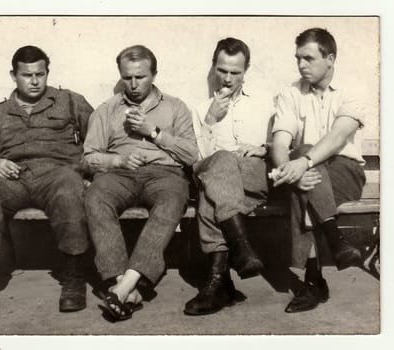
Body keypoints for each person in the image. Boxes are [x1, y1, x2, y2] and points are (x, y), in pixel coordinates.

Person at [0, 46, 94, 327]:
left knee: (69, 191)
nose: (34, 81)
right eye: (27, 75)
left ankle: (74, 280)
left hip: (57, 173)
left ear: (47, 73)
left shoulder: (70, 101)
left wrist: (87, 170)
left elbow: (99, 140)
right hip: (12, 179)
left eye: (40, 74)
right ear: (13, 75)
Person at [83, 45, 197, 321]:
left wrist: (154, 132)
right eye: (127, 77)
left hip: (164, 174)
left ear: (154, 74)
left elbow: (192, 154)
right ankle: (125, 287)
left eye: (141, 77)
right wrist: (116, 162)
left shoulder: (175, 106)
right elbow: (87, 159)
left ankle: (122, 286)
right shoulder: (106, 110)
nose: (133, 85)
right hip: (120, 175)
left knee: (171, 201)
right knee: (95, 196)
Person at [271, 28, 365, 313]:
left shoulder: (353, 90)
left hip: (344, 170)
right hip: (305, 174)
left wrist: (301, 165)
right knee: (302, 169)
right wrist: (286, 167)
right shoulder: (289, 92)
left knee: (305, 167)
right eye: (298, 58)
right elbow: (280, 142)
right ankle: (336, 241)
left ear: (330, 58)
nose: (301, 65)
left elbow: (338, 137)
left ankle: (314, 280)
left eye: (308, 58)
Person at [184, 38, 275, 316]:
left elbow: (281, 145)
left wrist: (262, 149)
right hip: (217, 177)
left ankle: (219, 282)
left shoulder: (264, 104)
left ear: (246, 71)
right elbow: (198, 160)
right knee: (220, 164)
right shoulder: (200, 109)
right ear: (214, 68)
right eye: (222, 70)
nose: (227, 78)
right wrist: (211, 119)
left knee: (211, 194)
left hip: (251, 176)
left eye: (235, 72)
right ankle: (240, 250)